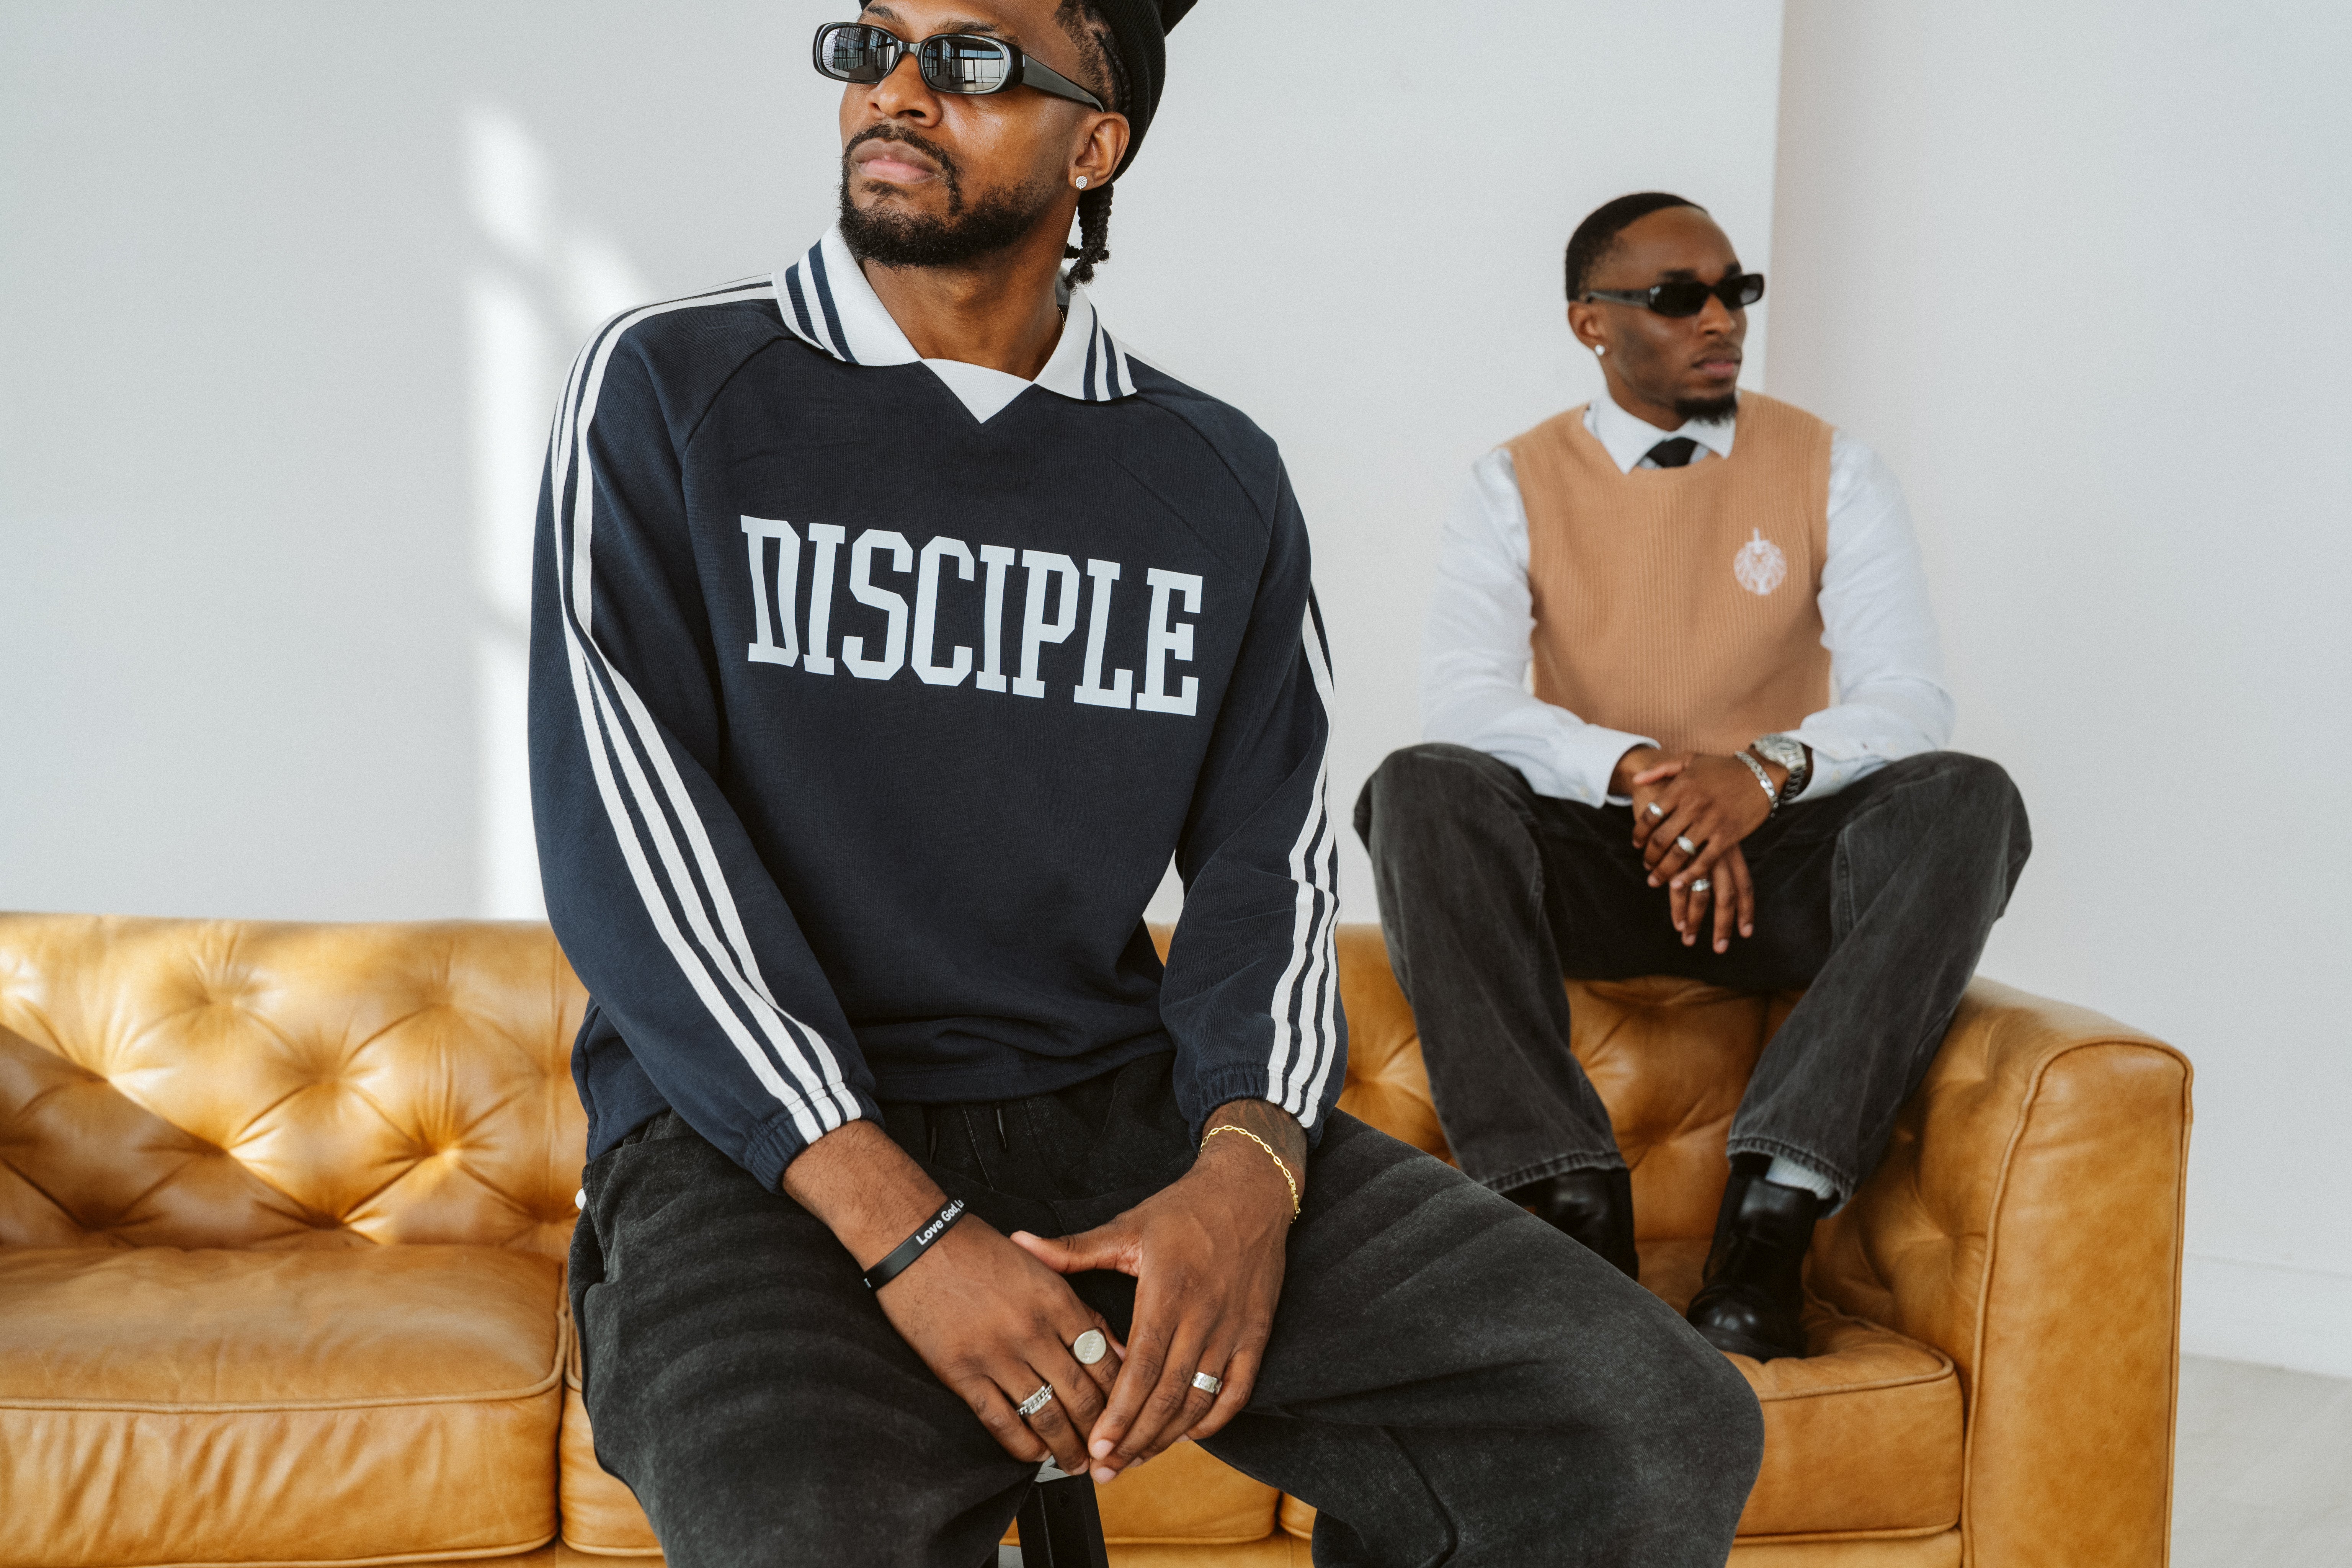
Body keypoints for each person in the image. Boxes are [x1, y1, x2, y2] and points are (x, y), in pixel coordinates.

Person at [531, 13, 1761, 1566]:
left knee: (1646, 1417)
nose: (897, 90)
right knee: (808, 1530)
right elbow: (629, 838)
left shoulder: (1214, 475)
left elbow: (1274, 866)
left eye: (972, 62)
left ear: (1095, 143)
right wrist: (905, 1229)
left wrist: (1249, 1163)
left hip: (1111, 1115)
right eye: (871, 41)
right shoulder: (674, 384)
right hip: (755, 1157)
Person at [1357, 192, 2032, 1365]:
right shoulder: (1509, 482)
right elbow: (1467, 697)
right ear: (1591, 324)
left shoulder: (1836, 470)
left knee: (1969, 796)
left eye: (1737, 291)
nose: (1721, 319)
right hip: (1599, 861)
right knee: (1419, 784)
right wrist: (1636, 774)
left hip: (1779, 867)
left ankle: (1772, 1223)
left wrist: (1761, 776)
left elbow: (1907, 698)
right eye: (1680, 298)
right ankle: (1572, 1209)